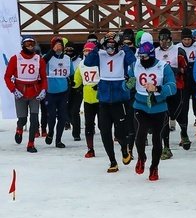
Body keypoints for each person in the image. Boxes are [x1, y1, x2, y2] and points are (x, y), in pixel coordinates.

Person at [83, 33, 136, 173]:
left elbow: (133, 60)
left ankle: (125, 150)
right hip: (104, 100)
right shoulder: (100, 54)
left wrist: (124, 46)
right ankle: (112, 161)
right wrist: (97, 47)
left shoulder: (123, 54)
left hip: (120, 100)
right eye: (108, 45)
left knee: (120, 133)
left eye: (113, 45)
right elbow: (87, 62)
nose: (110, 48)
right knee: (104, 131)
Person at [127, 39, 177, 181]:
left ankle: (154, 167)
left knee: (157, 139)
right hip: (140, 105)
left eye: (145, 57)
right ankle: (141, 157)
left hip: (158, 107)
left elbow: (172, 87)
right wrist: (128, 84)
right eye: (140, 57)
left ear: (151, 55)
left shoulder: (163, 67)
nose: (142, 60)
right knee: (140, 133)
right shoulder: (135, 65)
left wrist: (157, 88)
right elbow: (128, 82)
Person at [5, 36, 48, 152]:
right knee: (23, 119)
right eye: (27, 43)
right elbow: (7, 76)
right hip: (20, 91)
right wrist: (13, 90)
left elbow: (44, 77)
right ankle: (19, 128)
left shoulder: (39, 59)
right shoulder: (15, 58)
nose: (30, 46)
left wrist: (43, 90)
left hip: (34, 91)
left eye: (32, 44)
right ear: (23, 45)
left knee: (34, 118)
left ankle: (31, 144)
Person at [155, 28, 189, 158]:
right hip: (162, 89)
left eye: (167, 40)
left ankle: (184, 132)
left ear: (171, 39)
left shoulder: (178, 51)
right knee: (164, 116)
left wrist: (174, 70)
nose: (164, 43)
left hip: (176, 86)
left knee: (178, 113)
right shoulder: (155, 52)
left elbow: (185, 69)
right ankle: (166, 147)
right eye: (162, 40)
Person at [43, 36, 72, 148]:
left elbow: (71, 73)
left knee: (62, 116)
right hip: (50, 91)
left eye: (60, 45)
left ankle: (58, 140)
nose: (59, 46)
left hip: (63, 91)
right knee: (51, 116)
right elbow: (42, 63)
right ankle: (50, 132)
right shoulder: (48, 57)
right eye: (56, 44)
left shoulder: (67, 59)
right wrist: (52, 51)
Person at [73, 43, 100, 158]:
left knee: (103, 125)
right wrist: (72, 83)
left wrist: (100, 85)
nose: (86, 53)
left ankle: (110, 143)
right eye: (85, 51)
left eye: (89, 51)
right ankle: (90, 148)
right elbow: (77, 80)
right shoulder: (81, 64)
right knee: (88, 125)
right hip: (88, 99)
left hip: (100, 98)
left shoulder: (99, 62)